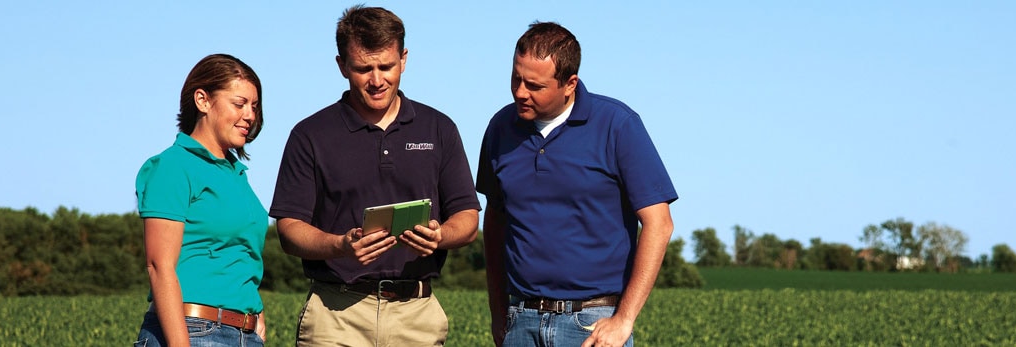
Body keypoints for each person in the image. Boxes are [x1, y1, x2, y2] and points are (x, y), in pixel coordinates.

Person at [269, 5, 481, 346]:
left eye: (386, 66)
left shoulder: (439, 128)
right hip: (336, 315)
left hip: (416, 315)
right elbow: (289, 230)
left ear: (404, 59)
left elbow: (468, 217)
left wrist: (441, 235)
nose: (377, 79)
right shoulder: (310, 134)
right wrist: (340, 246)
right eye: (363, 68)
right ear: (342, 66)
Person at [478, 22, 678, 347]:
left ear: (570, 83)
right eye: (516, 78)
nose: (519, 92)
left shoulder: (618, 125)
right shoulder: (500, 127)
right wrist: (499, 312)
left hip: (591, 325)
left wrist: (623, 320)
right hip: (521, 321)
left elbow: (660, 223)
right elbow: (495, 222)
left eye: (534, 85)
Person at [133, 53, 268, 347]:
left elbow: (239, 254)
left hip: (244, 336)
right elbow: (159, 267)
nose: (250, 115)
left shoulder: (236, 174)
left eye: (254, 106)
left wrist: (256, 316)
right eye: (239, 103)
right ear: (202, 101)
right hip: (194, 331)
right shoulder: (172, 167)